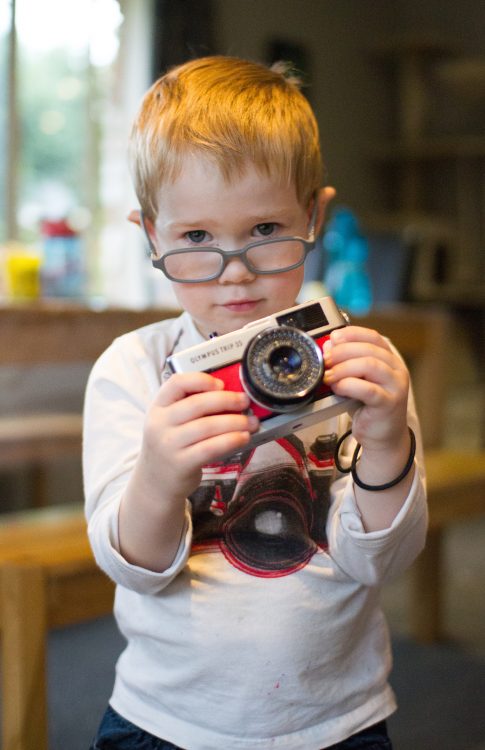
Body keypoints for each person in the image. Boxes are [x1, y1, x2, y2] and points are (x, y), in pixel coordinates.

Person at [84, 55, 427, 750]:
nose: (234, 272)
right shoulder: (134, 368)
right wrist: (158, 476)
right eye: (196, 237)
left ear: (313, 214)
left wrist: (388, 441)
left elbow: (381, 562)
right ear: (151, 235)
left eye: (266, 230)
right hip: (164, 719)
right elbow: (132, 568)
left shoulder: (359, 369)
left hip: (339, 719)